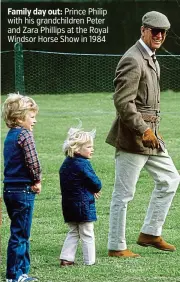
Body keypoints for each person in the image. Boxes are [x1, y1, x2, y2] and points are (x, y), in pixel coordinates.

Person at [106, 11, 180, 258]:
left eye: (163, 32)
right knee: (124, 195)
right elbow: (123, 103)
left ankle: (150, 233)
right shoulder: (133, 59)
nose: (159, 35)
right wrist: (144, 129)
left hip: (151, 138)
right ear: (143, 30)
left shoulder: (151, 57)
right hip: (133, 137)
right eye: (154, 31)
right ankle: (117, 247)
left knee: (170, 179)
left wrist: (152, 131)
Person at [2, 93, 42, 281]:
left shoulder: (9, 136)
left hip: (9, 189)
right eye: (32, 117)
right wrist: (36, 180)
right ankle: (15, 275)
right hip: (23, 190)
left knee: (19, 230)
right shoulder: (25, 134)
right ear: (19, 118)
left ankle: (23, 270)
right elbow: (33, 162)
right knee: (20, 234)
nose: (35, 121)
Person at [59, 123, 102, 266]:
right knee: (87, 232)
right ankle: (90, 261)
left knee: (73, 231)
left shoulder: (66, 164)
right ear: (77, 148)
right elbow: (95, 182)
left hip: (68, 205)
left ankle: (66, 258)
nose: (92, 149)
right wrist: (95, 188)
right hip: (83, 204)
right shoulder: (83, 164)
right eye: (89, 147)